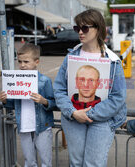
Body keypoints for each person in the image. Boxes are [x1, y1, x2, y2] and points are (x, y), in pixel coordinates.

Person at [53, 9, 127, 167]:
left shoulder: (113, 61)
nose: (80, 32)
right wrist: (73, 112)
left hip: (102, 121)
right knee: (76, 163)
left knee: (93, 163)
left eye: (85, 28)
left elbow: (118, 97)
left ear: (98, 29)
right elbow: (59, 89)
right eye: (77, 28)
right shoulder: (71, 56)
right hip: (74, 118)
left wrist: (88, 113)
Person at [0, 43, 56, 167]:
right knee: (29, 161)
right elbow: (12, 104)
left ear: (36, 62)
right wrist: (4, 101)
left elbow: (53, 103)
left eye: (26, 61)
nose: (22, 65)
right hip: (24, 126)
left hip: (42, 127)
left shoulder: (44, 81)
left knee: (46, 161)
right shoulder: (15, 80)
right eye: (19, 62)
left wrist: (44, 101)